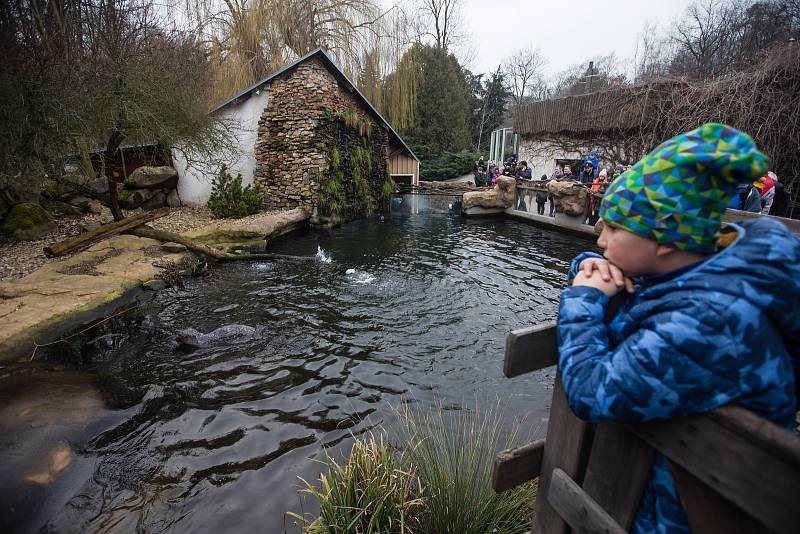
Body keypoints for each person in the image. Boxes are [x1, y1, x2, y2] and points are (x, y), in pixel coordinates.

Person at [557, 123, 799, 534]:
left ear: (665, 239)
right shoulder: (697, 268)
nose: (601, 239)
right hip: (654, 489)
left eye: (614, 228)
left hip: (686, 515)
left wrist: (585, 298)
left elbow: (590, 389)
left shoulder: (710, 323)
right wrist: (590, 268)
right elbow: (643, 279)